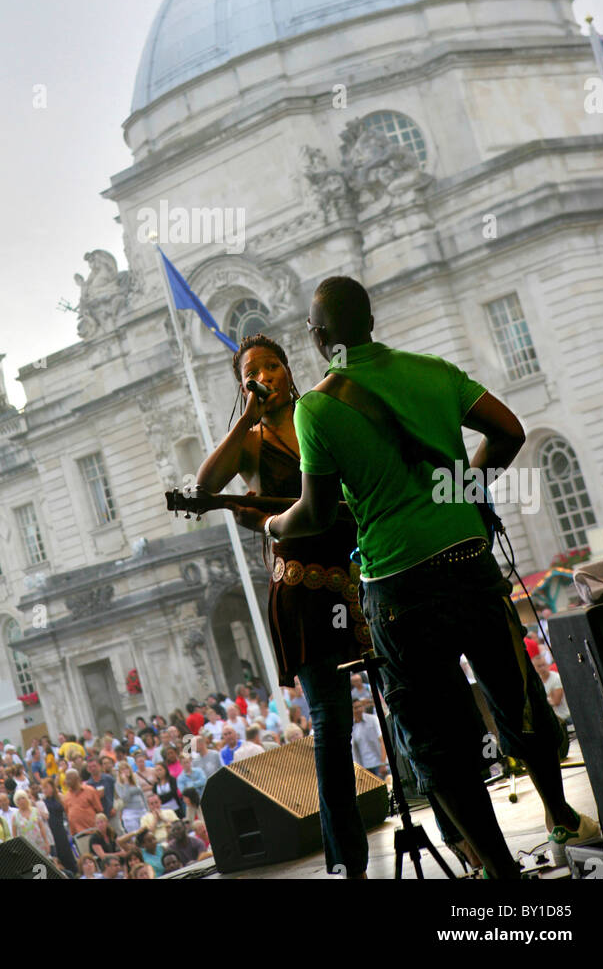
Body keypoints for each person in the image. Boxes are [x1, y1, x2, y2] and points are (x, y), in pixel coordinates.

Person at [255, 274, 599, 878]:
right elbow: (509, 431)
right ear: (370, 320)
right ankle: (563, 820)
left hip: (398, 588)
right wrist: (463, 486)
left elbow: (313, 512)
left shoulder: (315, 407)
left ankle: (500, 873)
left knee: (440, 744)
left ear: (319, 336)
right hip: (470, 562)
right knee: (515, 702)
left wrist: (275, 526)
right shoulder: (433, 371)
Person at [198, 331, 369, 881]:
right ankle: (348, 867)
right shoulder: (250, 439)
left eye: (273, 366)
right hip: (304, 592)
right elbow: (204, 487)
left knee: (408, 700)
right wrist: (247, 416)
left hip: (362, 575)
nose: (266, 375)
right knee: (332, 726)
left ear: (290, 370)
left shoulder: (317, 415)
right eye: (255, 370)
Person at [40, 779, 77, 875]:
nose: (45, 790)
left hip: (60, 827)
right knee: (57, 851)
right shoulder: (42, 802)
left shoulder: (59, 797)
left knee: (65, 849)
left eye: (47, 787)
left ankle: (74, 870)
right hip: (51, 828)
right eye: (43, 788)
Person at [351, 700, 388, 779]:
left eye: (360, 706)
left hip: (379, 764)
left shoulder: (373, 719)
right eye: (356, 708)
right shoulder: (351, 726)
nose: (359, 709)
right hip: (365, 769)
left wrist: (383, 763)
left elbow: (382, 741)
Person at [62, 769, 102, 837]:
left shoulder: (89, 790)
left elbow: (99, 810)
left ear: (77, 779)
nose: (67, 782)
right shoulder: (67, 796)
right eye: (66, 779)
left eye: (69, 779)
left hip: (93, 831)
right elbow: (68, 813)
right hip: (78, 834)